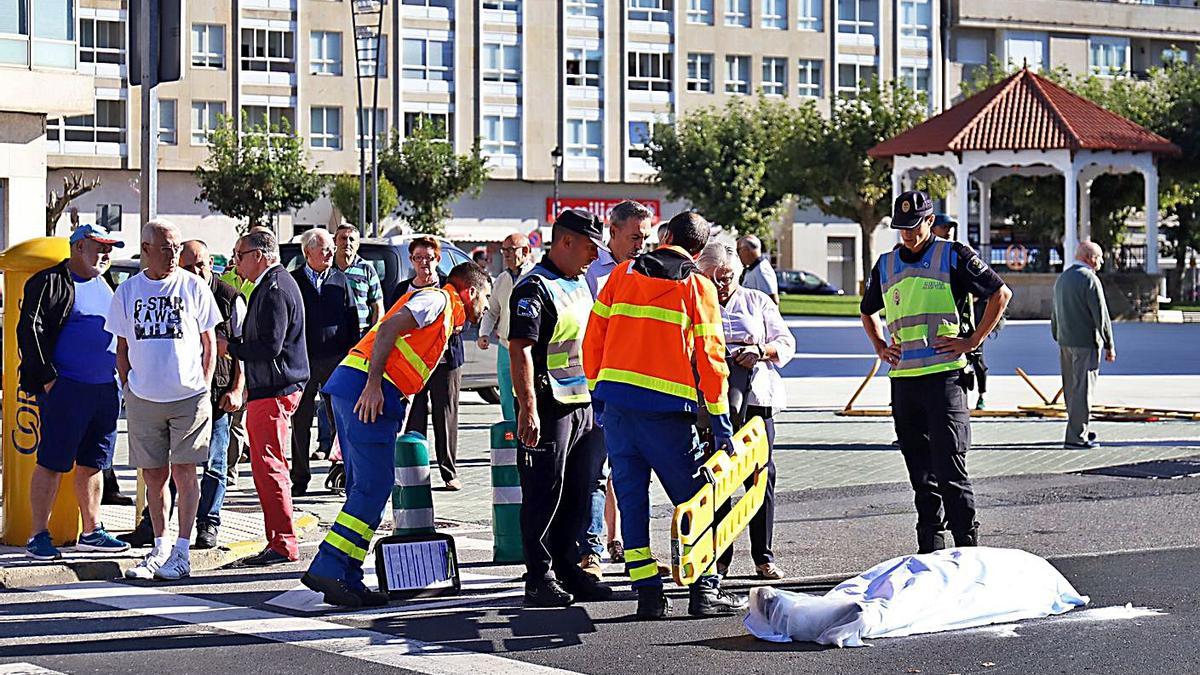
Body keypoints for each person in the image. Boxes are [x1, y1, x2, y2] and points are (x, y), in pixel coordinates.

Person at [583, 210, 748, 619]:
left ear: (666, 235)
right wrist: (722, 420)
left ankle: (648, 595)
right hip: (669, 416)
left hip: (619, 411)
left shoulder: (621, 276)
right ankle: (704, 589)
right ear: (698, 249)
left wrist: (597, 395)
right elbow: (711, 360)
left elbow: (593, 340)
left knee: (632, 502)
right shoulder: (698, 286)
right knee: (695, 501)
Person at [303, 262, 492, 607]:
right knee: (373, 487)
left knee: (366, 488)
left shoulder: (443, 313)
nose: (486, 308)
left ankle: (345, 575)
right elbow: (389, 327)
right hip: (367, 390)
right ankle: (331, 567)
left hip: (358, 390)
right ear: (472, 292)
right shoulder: (438, 301)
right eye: (486, 298)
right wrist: (374, 385)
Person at [858, 191, 1012, 554]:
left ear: (930, 221)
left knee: (950, 471)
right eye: (901, 228)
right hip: (904, 382)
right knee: (921, 476)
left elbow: (1000, 294)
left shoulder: (953, 254)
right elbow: (867, 311)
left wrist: (972, 340)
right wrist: (881, 347)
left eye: (914, 226)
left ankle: (967, 548)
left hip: (945, 380)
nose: (908, 234)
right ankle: (930, 549)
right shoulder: (886, 264)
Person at [508, 208, 613, 607]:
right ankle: (538, 577)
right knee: (542, 493)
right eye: (588, 247)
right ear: (565, 241)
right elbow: (521, 349)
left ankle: (569, 568)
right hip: (550, 407)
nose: (593, 256)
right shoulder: (533, 288)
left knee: (577, 492)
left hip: (582, 402)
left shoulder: (577, 282)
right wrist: (527, 408)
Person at [107, 219, 221, 580]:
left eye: (176, 247)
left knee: (185, 473)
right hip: (144, 398)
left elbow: (210, 343)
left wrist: (203, 384)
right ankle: (159, 547)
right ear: (146, 250)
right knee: (153, 477)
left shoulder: (193, 287)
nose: (174, 254)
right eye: (166, 248)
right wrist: (128, 385)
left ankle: (183, 552)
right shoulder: (127, 292)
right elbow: (121, 347)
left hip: (189, 397)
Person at [18, 224, 130, 559]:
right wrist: (49, 379)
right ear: (79, 247)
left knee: (94, 463)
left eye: (110, 248)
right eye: (100, 247)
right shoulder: (49, 282)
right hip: (66, 387)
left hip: (103, 389)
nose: (106, 254)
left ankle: (92, 530)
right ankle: (38, 534)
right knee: (52, 462)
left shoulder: (104, 284)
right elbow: (30, 329)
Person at [696, 242, 794, 581]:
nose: (721, 286)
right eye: (714, 278)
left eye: (726, 278)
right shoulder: (698, 302)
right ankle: (720, 557)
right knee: (717, 477)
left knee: (761, 477)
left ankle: (762, 557)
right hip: (713, 400)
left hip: (755, 399)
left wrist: (759, 350)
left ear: (738, 274)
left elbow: (786, 342)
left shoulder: (757, 301)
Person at [225, 229, 310, 566]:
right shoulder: (273, 284)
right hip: (271, 389)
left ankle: (282, 542)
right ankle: (278, 539)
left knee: (269, 467)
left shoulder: (274, 288)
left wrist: (229, 348)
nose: (235, 262)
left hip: (275, 391)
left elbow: (269, 346)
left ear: (258, 255)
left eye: (239, 255)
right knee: (265, 467)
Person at [581, 200, 656, 575]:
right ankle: (591, 549)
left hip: (637, 386)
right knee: (596, 469)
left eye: (645, 236)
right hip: (597, 385)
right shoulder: (591, 273)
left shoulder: (649, 271)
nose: (641, 243)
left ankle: (628, 544)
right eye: (634, 237)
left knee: (629, 472)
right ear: (613, 233)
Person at [290, 229, 360, 496]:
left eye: (332, 248)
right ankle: (299, 477)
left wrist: (351, 356)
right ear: (308, 252)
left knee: (340, 418)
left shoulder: (339, 280)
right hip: (303, 360)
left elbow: (352, 320)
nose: (331, 253)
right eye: (324, 249)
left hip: (335, 361)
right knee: (301, 420)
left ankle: (342, 472)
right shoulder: (295, 280)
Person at [397, 236, 465, 491]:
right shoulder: (403, 289)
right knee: (414, 416)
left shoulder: (450, 288)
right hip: (413, 366)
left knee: (445, 415)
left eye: (429, 258)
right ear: (411, 260)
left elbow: (465, 316)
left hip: (445, 362)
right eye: (418, 258)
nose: (424, 263)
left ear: (438, 259)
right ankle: (415, 470)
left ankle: (449, 472)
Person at [1052, 240, 1115, 450]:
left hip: (1065, 341)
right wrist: (1109, 344)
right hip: (1085, 342)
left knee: (1071, 389)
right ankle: (1077, 437)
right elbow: (1101, 315)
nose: (1102, 261)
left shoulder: (1063, 278)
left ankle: (1079, 428)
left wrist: (1057, 335)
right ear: (1091, 258)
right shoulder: (1089, 279)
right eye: (1100, 257)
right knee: (1083, 390)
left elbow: (1055, 313)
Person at [931, 215, 996, 411]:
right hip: (941, 325)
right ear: (932, 228)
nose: (948, 230)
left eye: (950, 226)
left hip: (966, 322)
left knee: (977, 360)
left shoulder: (959, 254)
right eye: (943, 226)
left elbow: (996, 291)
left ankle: (981, 395)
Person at [478, 232, 533, 422]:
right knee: (507, 396)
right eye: (504, 250)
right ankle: (512, 433)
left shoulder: (536, 277)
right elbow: (492, 310)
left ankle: (531, 435)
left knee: (528, 392)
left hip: (529, 348)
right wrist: (484, 333)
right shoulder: (502, 279)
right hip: (505, 346)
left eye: (511, 250)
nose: (506, 254)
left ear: (525, 251)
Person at [334, 224, 385, 335]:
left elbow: (378, 307)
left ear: (357, 245)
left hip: (360, 335)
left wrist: (372, 336)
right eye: (343, 238)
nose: (347, 243)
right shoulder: (327, 268)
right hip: (332, 336)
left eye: (352, 239)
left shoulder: (367, 269)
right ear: (334, 242)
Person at [736, 234, 780, 305]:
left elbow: (773, 300)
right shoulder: (753, 268)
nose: (738, 254)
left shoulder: (761, 270)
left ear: (746, 250)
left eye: (738, 250)